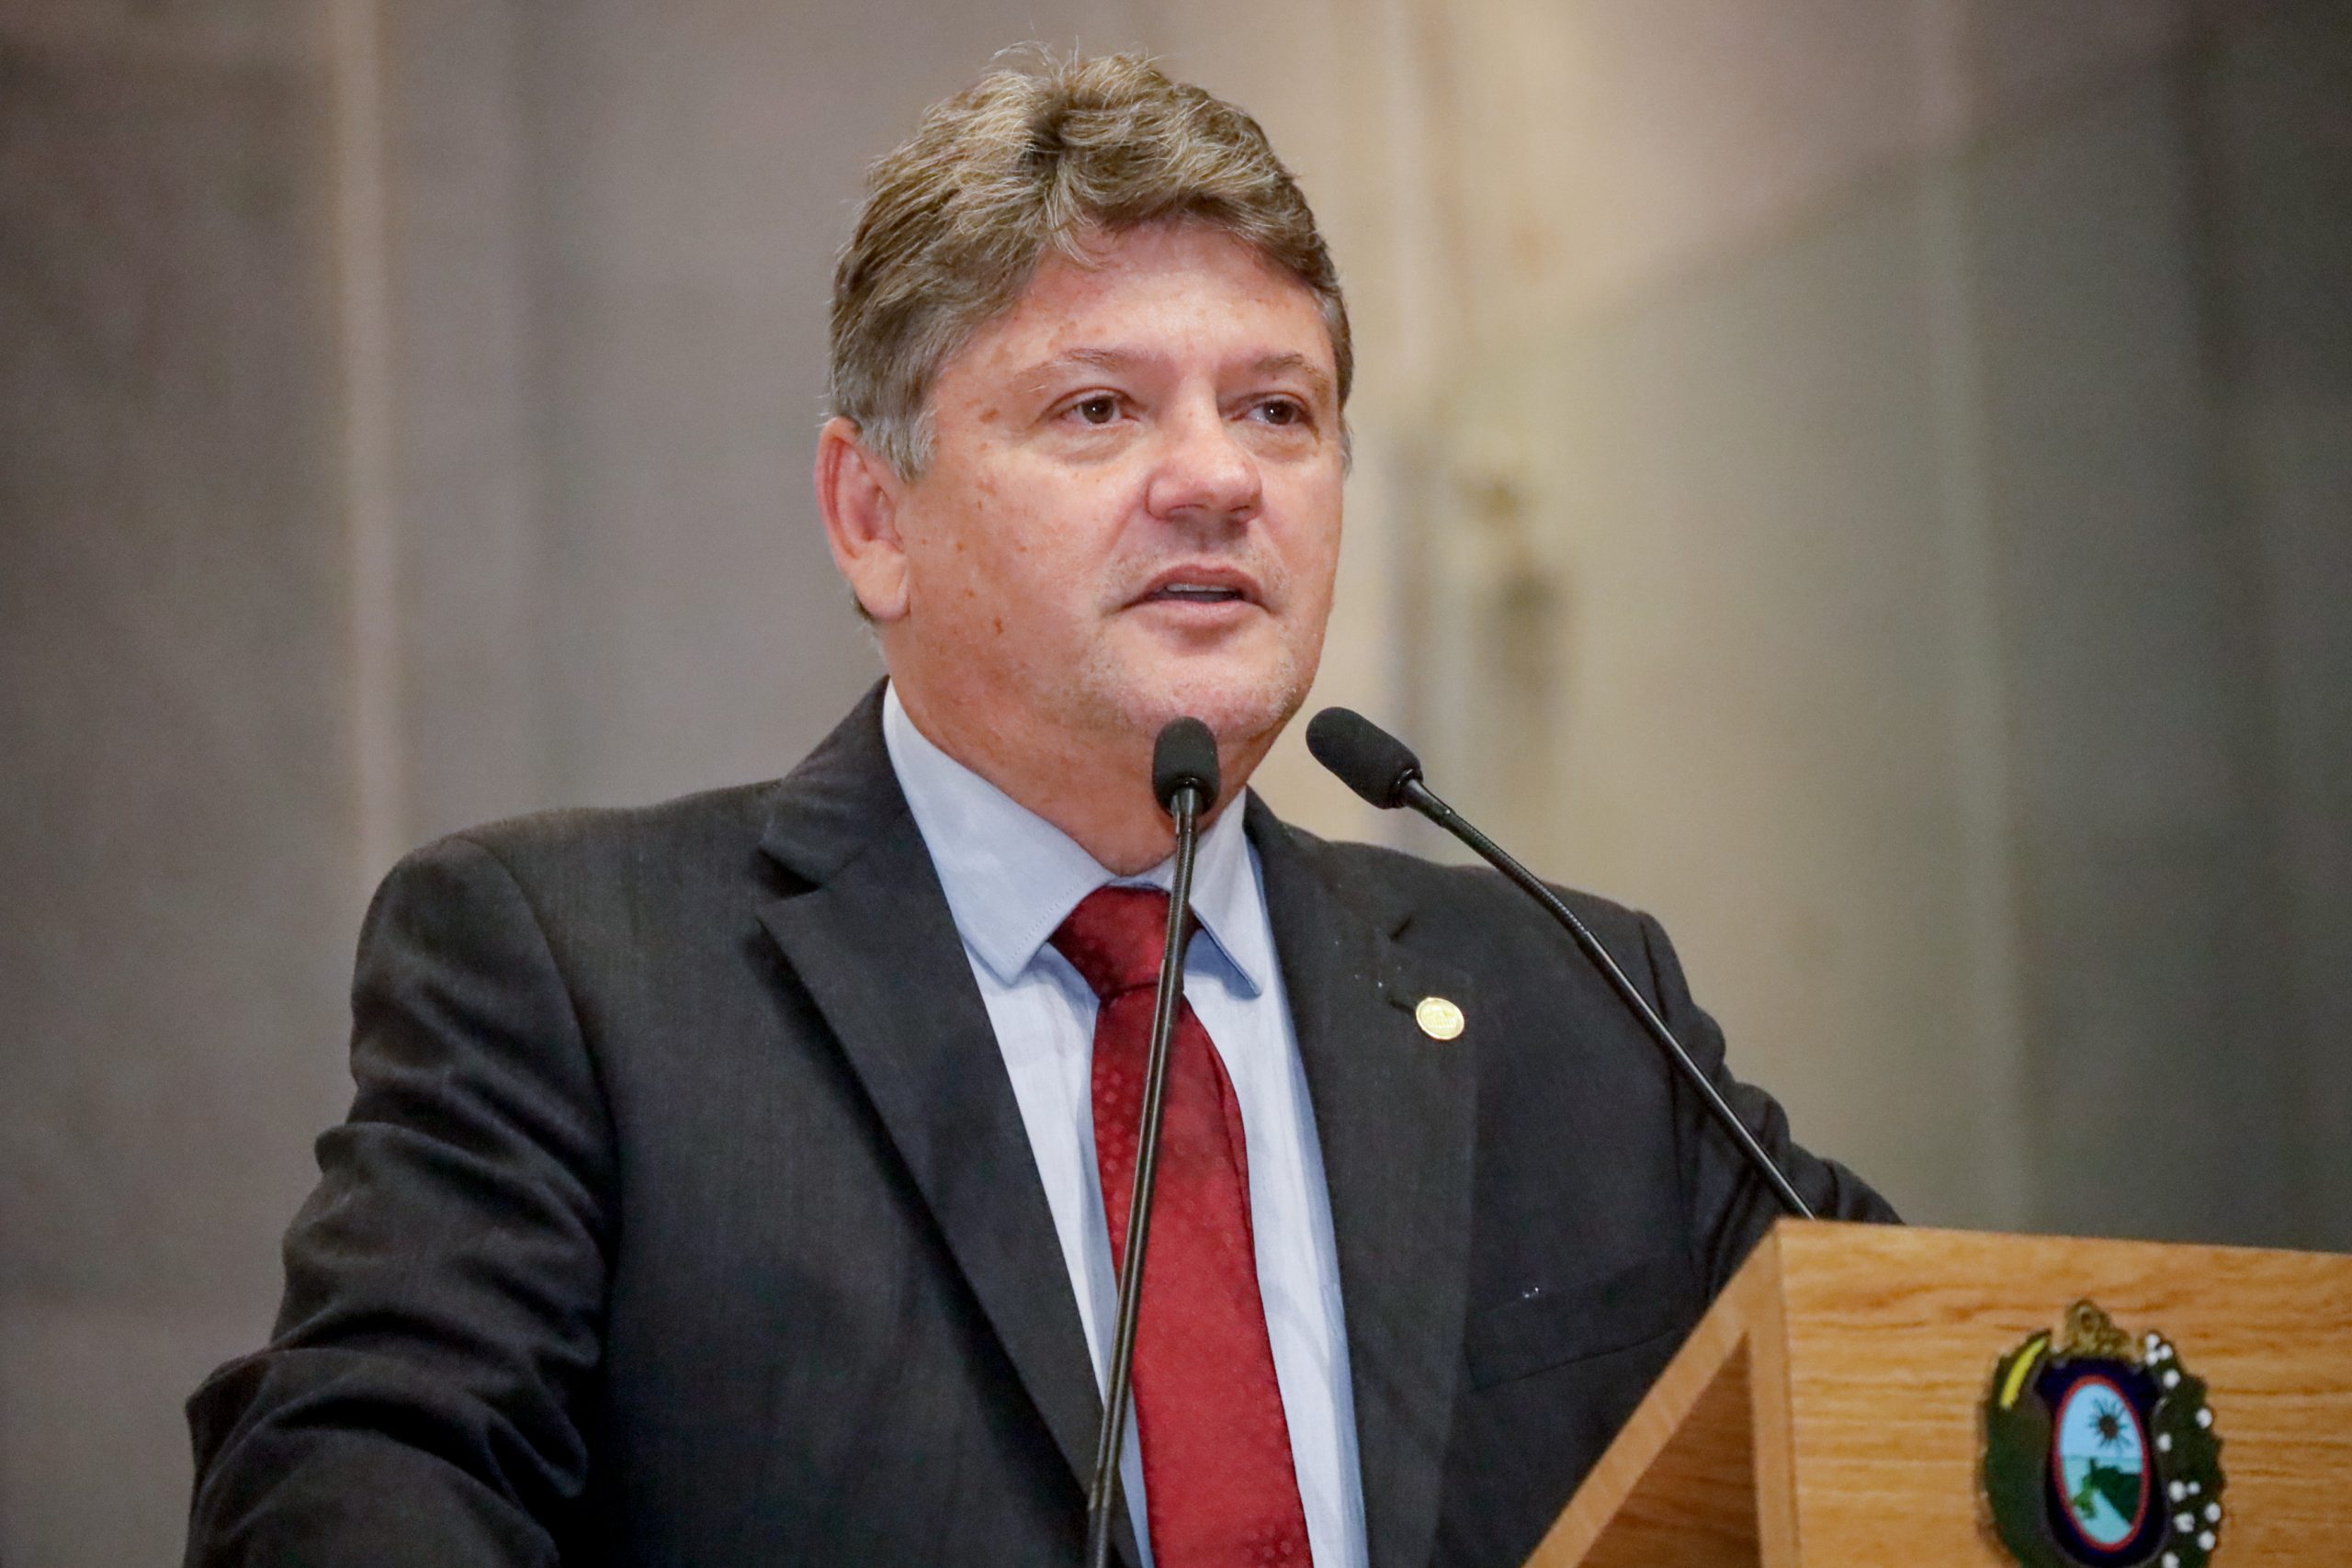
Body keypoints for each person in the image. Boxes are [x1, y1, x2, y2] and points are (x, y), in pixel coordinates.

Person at [185, 52, 1894, 1568]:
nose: (1217, 477)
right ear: (873, 517)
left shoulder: (1574, 1005)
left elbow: (1956, 1396)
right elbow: (356, 1481)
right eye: (1099, 408)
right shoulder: (581, 981)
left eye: (1278, 410)